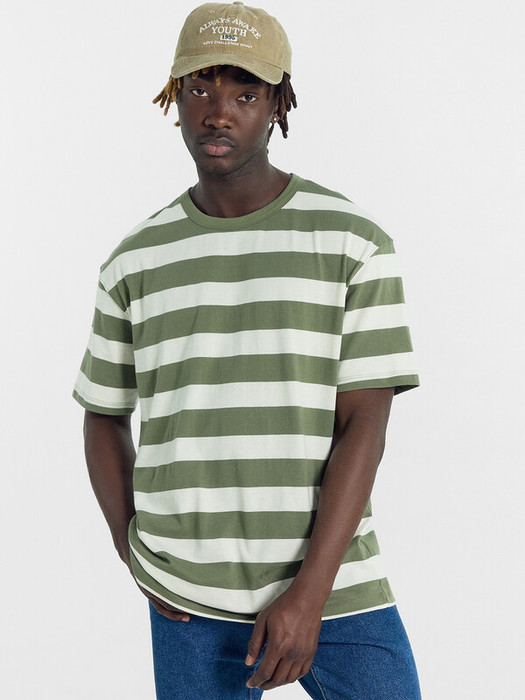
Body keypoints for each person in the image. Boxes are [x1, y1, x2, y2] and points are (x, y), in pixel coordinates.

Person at [73, 2, 422, 698]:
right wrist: (132, 550)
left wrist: (307, 596)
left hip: (335, 586)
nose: (218, 113)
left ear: (278, 104)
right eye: (200, 88)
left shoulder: (352, 242)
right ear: (174, 98)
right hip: (187, 593)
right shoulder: (134, 260)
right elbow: (103, 414)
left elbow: (365, 423)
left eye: (245, 93)